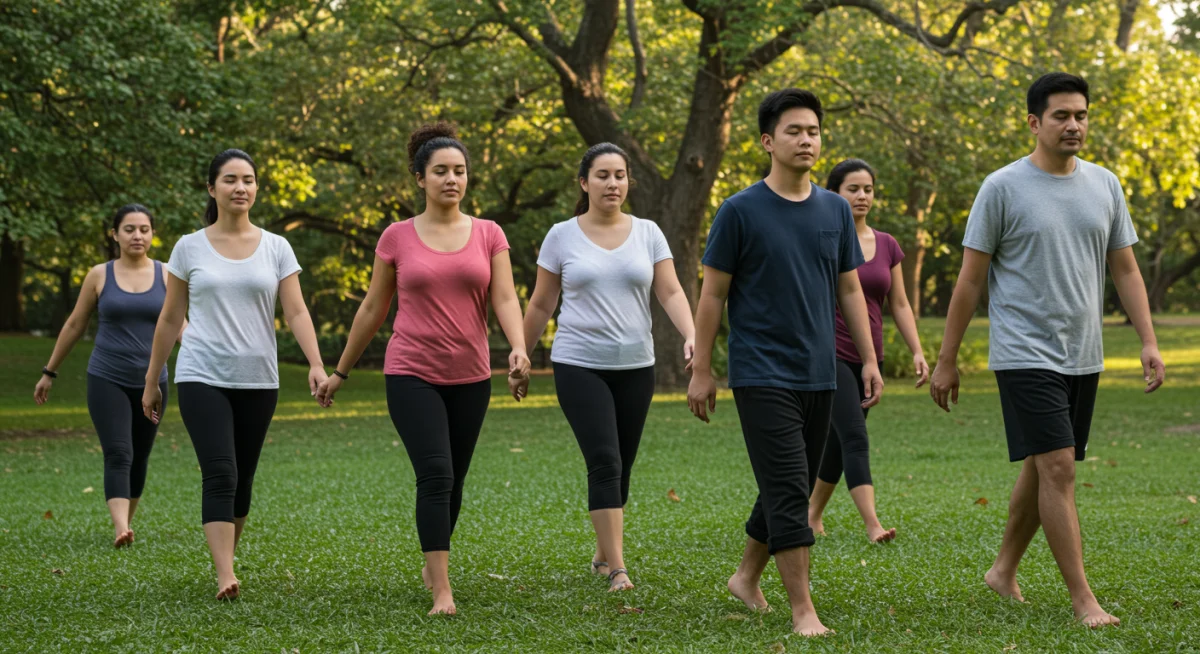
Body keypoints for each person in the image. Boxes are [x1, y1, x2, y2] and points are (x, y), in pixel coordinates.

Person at [929, 72, 1165, 628]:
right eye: (1061, 115)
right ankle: (1083, 600)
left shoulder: (1105, 185)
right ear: (1034, 122)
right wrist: (947, 358)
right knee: (1058, 466)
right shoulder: (1002, 187)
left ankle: (1002, 570)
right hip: (1024, 351)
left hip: (1083, 352)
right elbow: (968, 281)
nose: (1074, 125)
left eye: (1081, 115)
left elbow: (1125, 268)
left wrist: (1149, 341)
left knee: (1043, 467)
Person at [687, 89, 883, 636]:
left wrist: (866, 359)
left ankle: (746, 577)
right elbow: (711, 296)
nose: (806, 139)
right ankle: (803, 611)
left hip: (821, 370)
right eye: (794, 131)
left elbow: (849, 289)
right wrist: (702, 369)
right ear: (769, 141)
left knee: (785, 482)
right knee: (791, 486)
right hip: (760, 371)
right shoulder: (740, 211)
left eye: (813, 131)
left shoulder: (835, 209)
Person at [315, 123, 530, 616]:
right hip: (411, 372)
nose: (451, 179)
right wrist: (340, 373)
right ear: (419, 178)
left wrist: (517, 347)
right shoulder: (397, 237)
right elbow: (372, 309)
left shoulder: (489, 233)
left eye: (459, 171)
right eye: (440, 171)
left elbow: (503, 297)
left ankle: (433, 562)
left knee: (453, 478)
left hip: (472, 375)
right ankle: (442, 591)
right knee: (435, 473)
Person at [142, 149, 328, 600]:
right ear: (212, 188)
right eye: (229, 179)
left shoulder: (277, 247)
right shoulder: (188, 246)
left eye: (248, 179)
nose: (240, 187)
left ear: (256, 188)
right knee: (220, 471)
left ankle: (226, 557)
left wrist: (318, 364)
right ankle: (225, 574)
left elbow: (297, 310)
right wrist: (153, 380)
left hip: (259, 378)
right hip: (201, 372)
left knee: (243, 477)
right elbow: (170, 318)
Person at [513, 142, 696, 592]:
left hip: (637, 365)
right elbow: (542, 301)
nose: (612, 183)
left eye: (619, 175)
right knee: (605, 461)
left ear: (628, 181)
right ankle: (617, 569)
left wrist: (693, 335)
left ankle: (602, 551)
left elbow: (670, 292)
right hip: (579, 364)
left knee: (624, 464)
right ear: (584, 182)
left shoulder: (649, 232)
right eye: (602, 175)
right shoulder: (562, 235)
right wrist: (520, 352)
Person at [34, 204, 184, 548]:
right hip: (107, 377)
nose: (137, 236)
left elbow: (179, 324)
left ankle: (126, 522)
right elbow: (75, 324)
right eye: (129, 229)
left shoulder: (167, 275)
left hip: (153, 380)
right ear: (114, 234)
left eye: (144, 229)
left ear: (153, 234)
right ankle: (120, 528)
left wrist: (200, 351)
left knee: (141, 453)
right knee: (119, 451)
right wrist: (49, 372)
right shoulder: (99, 275)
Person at [806, 159, 929, 543]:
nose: (862, 196)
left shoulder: (888, 244)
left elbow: (901, 304)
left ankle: (810, 513)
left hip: (868, 358)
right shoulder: (821, 239)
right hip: (829, 355)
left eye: (868, 189)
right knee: (855, 436)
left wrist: (917, 351)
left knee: (839, 446)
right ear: (834, 195)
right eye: (852, 189)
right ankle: (873, 524)